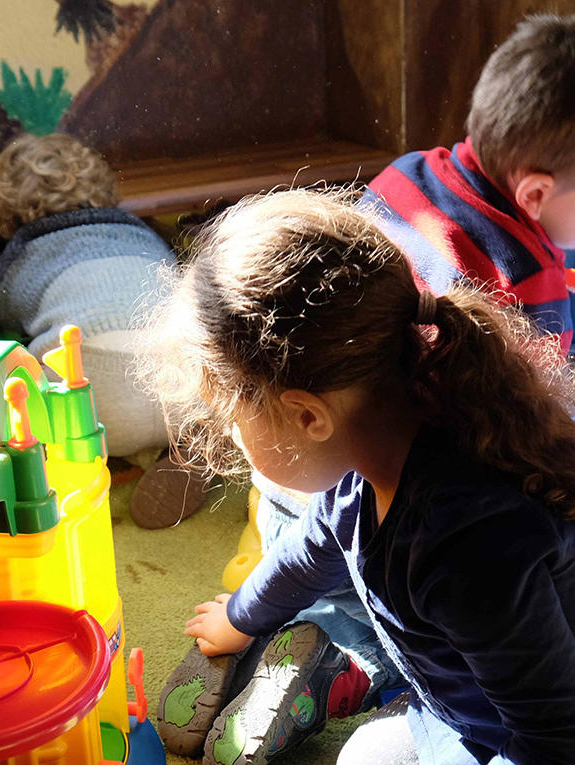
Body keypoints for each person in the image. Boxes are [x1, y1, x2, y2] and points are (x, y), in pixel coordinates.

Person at [137, 187, 575, 764]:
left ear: (308, 416)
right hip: (462, 708)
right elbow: (308, 553)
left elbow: (553, 737)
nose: (231, 439)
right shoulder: (368, 466)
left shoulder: (466, 547)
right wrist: (240, 618)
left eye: (231, 418)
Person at [242, 9, 575, 725]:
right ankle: (368, 671)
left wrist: (243, 612)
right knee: (451, 613)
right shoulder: (526, 282)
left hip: (312, 479)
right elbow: (544, 416)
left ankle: (340, 650)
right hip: (414, 517)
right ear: (537, 195)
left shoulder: (407, 172)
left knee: (318, 538)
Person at [0, 132, 212, 526]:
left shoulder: (24, 257)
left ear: (11, 209)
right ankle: (193, 445)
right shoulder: (144, 234)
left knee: (13, 365)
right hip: (184, 392)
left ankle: (71, 462)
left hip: (90, 406)